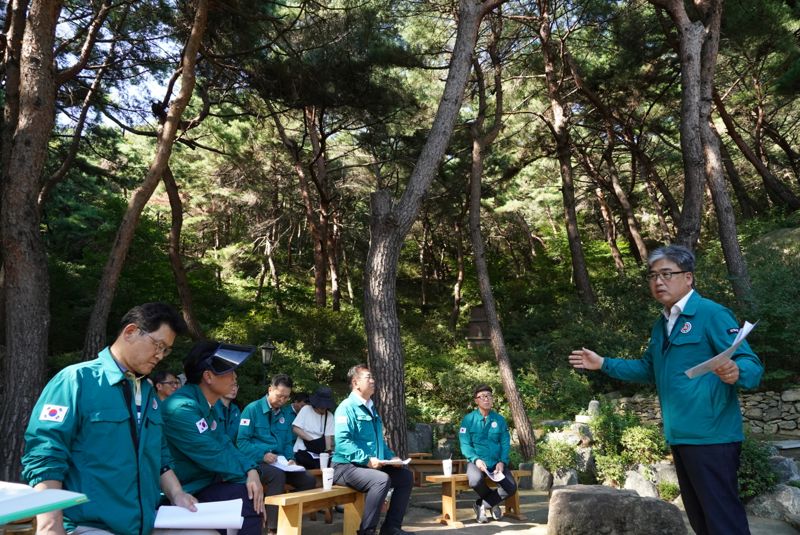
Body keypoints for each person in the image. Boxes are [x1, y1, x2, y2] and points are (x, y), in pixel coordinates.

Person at [568, 244, 763, 535]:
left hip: (712, 437)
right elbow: (649, 369)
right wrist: (604, 363)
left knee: (724, 522)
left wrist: (737, 371)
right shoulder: (662, 324)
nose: (658, 281)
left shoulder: (710, 313)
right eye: (653, 275)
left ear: (688, 277)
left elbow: (751, 363)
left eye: (667, 273)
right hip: (680, 436)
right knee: (700, 520)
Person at [21, 302, 200, 535]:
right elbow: (45, 454)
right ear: (130, 332)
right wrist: (49, 523)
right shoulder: (76, 380)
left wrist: (177, 494)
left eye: (166, 350)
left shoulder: (148, 392)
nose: (160, 355)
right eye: (158, 345)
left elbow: (159, 454)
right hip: (89, 525)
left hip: (145, 524)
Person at [161, 340, 265, 535]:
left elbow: (226, 444)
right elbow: (212, 454)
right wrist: (248, 478)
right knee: (249, 495)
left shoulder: (206, 405)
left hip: (206, 484)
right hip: (184, 492)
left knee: (250, 492)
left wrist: (252, 470)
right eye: (228, 371)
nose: (235, 377)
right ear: (208, 376)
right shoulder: (182, 409)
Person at [332, 364, 413, 535]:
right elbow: (342, 442)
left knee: (405, 476)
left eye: (372, 377)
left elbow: (379, 442)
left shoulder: (371, 407)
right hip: (346, 467)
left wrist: (392, 459)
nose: (373, 381)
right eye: (368, 377)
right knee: (381, 480)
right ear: (355, 383)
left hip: (367, 467)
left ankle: (391, 528)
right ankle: (366, 531)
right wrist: (366, 460)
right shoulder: (346, 407)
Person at [237, 374, 316, 535]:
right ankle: (273, 528)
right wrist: (262, 454)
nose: (283, 400)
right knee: (277, 476)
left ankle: (288, 517)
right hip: (255, 462)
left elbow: (287, 443)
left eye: (286, 397)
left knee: (308, 479)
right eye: (280, 395)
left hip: (280, 462)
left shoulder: (284, 414)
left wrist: (291, 460)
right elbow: (241, 442)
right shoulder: (252, 409)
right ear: (270, 389)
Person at [458, 384, 517, 524]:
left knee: (511, 488)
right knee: (475, 481)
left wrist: (502, 461)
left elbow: (505, 442)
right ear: (476, 401)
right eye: (482, 396)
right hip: (476, 462)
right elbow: (465, 444)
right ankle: (493, 503)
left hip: (496, 462)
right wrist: (476, 459)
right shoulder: (468, 419)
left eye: (489, 396)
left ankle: (482, 504)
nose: (486, 399)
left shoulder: (499, 420)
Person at [292, 385, 336, 469]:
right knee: (311, 463)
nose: (323, 409)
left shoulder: (329, 416)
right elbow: (295, 428)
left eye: (325, 407)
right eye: (321, 407)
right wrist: (311, 440)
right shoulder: (306, 410)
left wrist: (328, 450)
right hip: (303, 449)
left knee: (332, 462)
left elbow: (328, 436)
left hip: (319, 451)